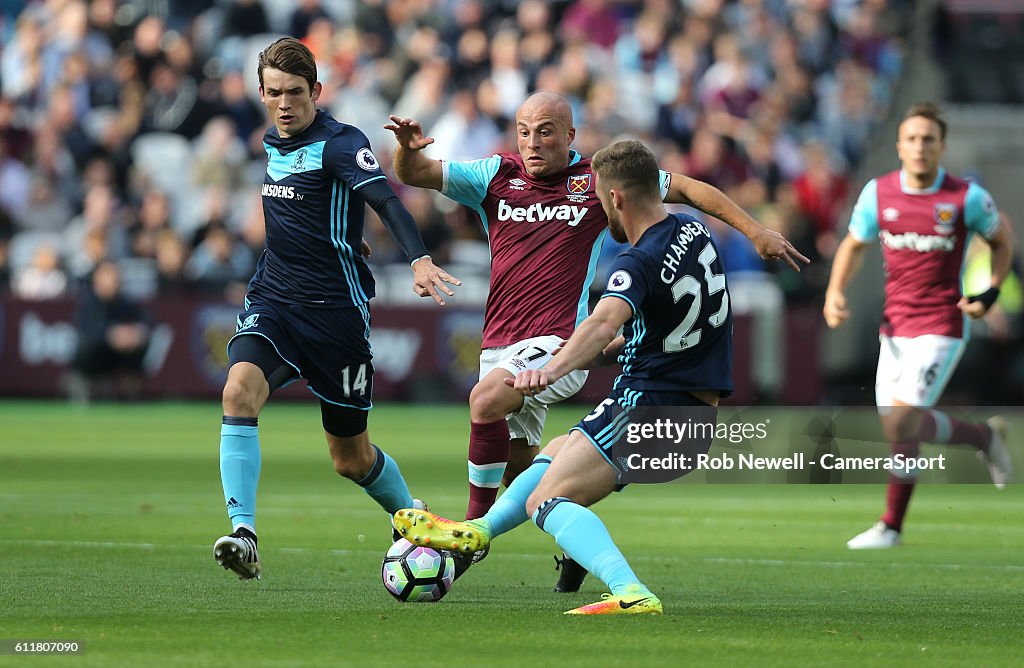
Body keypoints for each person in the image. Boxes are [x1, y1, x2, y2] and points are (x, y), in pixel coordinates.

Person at [386, 91, 807, 590]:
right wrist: (409, 151)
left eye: (545, 131)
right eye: (524, 131)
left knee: (486, 401)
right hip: (499, 343)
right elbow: (414, 175)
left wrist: (755, 229)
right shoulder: (494, 175)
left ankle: (467, 538)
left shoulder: (599, 181)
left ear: (569, 135)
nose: (533, 142)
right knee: (532, 473)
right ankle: (572, 547)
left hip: (560, 341)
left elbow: (688, 188)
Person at [213, 38, 460, 580]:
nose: (284, 103)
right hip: (274, 300)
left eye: (295, 93)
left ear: (316, 92)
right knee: (238, 390)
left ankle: (416, 519)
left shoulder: (342, 143)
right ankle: (244, 533)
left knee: (349, 458)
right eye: (274, 92)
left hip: (335, 316)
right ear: (261, 93)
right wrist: (337, 234)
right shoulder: (269, 142)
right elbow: (312, 212)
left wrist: (418, 259)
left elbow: (386, 201)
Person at [823, 102, 1014, 550]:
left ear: (941, 146)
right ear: (899, 146)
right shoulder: (878, 193)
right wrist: (835, 292)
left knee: (901, 423)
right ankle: (982, 437)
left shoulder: (966, 198)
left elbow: (1001, 241)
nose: (919, 146)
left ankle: (891, 524)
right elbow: (854, 244)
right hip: (895, 328)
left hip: (943, 325)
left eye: (928, 139)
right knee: (901, 427)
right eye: (911, 138)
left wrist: (991, 291)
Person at [68, 260, 151, 403]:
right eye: (107, 275)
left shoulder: (125, 303)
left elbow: (146, 321)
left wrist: (134, 333)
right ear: (96, 279)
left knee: (141, 342)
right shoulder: (88, 302)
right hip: (92, 359)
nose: (111, 281)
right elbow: (87, 331)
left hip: (117, 355)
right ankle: (85, 385)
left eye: (114, 276)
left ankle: (130, 393)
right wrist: (111, 334)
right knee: (86, 346)